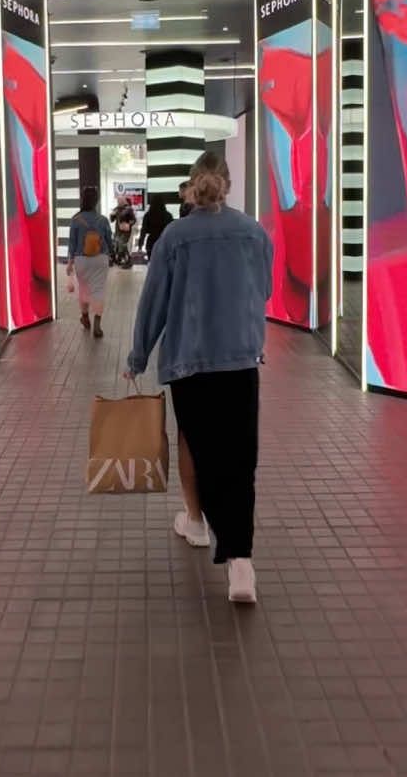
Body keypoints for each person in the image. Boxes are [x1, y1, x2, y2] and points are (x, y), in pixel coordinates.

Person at [125, 151, 272, 604]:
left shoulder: (176, 236)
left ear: (192, 185)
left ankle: (196, 522)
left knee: (197, 444)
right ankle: (241, 563)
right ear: (227, 184)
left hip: (189, 361)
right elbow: (264, 289)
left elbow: (154, 301)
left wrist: (137, 356)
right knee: (239, 457)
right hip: (241, 359)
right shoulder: (252, 231)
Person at [67, 187, 114, 338]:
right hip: (100, 259)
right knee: (98, 290)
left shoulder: (75, 220)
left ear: (83, 199)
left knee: (84, 289)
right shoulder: (103, 220)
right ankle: (97, 325)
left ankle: (85, 317)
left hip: (81, 260)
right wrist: (111, 254)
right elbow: (109, 240)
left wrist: (69, 262)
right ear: (96, 201)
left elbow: (72, 243)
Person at [139, 193, 174, 259]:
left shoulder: (148, 215)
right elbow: (172, 231)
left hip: (151, 242)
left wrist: (140, 244)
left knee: (152, 262)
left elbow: (143, 230)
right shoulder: (168, 215)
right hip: (164, 242)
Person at [110, 193, 137, 266]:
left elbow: (134, 220)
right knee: (117, 245)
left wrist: (128, 224)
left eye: (120, 201)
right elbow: (112, 220)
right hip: (118, 230)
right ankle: (120, 259)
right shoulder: (116, 209)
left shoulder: (129, 209)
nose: (118, 202)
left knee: (122, 244)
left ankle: (128, 260)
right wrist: (112, 215)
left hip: (125, 231)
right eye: (118, 201)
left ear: (123, 201)